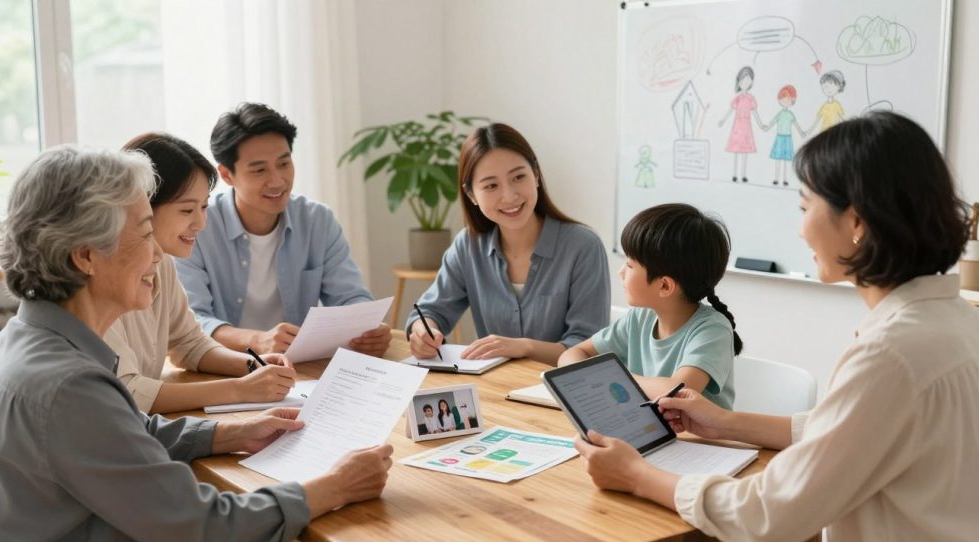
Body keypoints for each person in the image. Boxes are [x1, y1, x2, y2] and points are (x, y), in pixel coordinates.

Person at [0, 146, 394, 542]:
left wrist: (231, 432)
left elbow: (120, 434)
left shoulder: (22, 342)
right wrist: (337, 484)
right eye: (146, 234)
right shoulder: (69, 384)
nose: (159, 255)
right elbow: (209, 531)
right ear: (85, 255)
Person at [574, 112, 979, 542]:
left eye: (805, 207)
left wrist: (638, 476)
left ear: (857, 223)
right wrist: (726, 421)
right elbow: (852, 429)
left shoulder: (891, 355)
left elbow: (772, 511)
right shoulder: (954, 323)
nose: (800, 229)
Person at [175, 103, 391, 357]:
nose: (277, 181)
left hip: (300, 367)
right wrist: (257, 340)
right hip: (223, 368)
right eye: (259, 170)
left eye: (284, 164)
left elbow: (350, 298)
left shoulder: (317, 221)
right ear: (226, 174)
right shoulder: (198, 227)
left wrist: (367, 328)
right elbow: (191, 321)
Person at [104, 133, 296, 417]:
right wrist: (239, 389)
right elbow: (128, 392)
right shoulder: (99, 279)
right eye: (186, 210)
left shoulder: (162, 263)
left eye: (204, 207)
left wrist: (253, 365)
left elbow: (189, 343)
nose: (200, 223)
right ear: (140, 207)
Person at [408, 123, 610, 366]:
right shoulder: (467, 246)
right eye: (491, 185)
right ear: (471, 194)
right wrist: (423, 331)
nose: (510, 196)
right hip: (495, 389)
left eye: (518, 177)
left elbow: (588, 348)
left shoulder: (583, 247)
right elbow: (431, 311)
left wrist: (523, 347)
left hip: (564, 392)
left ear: (535, 175)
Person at [559, 203, 742, 408]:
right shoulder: (640, 318)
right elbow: (572, 354)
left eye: (629, 265)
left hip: (700, 440)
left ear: (664, 285)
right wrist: (596, 376)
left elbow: (678, 392)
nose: (621, 272)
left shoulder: (713, 330)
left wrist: (612, 376)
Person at [719, 66, 763, 183]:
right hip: (738, 126)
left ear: (752, 82)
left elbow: (755, 113)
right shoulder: (737, 98)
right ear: (739, 82)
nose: (746, 82)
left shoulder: (751, 98)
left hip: (747, 127)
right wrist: (723, 120)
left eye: (749, 80)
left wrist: (761, 125)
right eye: (744, 80)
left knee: (745, 152)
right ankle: (734, 174)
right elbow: (730, 111)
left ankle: (743, 174)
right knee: (736, 151)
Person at [761, 85, 807, 187]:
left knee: (785, 160)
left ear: (792, 100)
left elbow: (796, 125)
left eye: (787, 98)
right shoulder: (780, 113)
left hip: (787, 138)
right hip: (780, 138)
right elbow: (772, 122)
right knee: (778, 159)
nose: (784, 100)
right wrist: (766, 128)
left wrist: (801, 132)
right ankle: (776, 178)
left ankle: (785, 179)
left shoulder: (790, 114)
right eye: (782, 98)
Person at [807, 70, 846, 134]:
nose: (828, 89)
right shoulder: (824, 106)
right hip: (824, 131)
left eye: (831, 85)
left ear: (839, 86)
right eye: (825, 87)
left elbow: (842, 118)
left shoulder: (837, 105)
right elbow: (817, 120)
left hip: (834, 130)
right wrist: (809, 131)